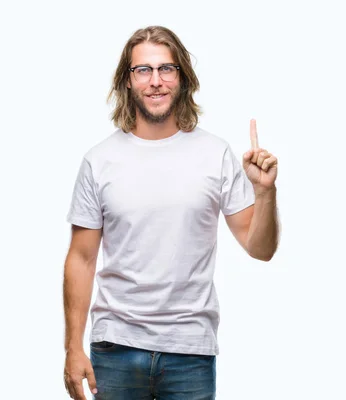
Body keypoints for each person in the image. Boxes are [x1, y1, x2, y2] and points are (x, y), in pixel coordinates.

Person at [62, 25, 279, 400]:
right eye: (143, 70)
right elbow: (81, 259)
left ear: (182, 78)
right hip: (116, 347)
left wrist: (265, 193)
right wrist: (73, 348)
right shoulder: (99, 160)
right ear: (127, 81)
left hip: (190, 351)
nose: (156, 81)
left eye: (167, 69)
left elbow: (260, 248)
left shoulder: (216, 154)